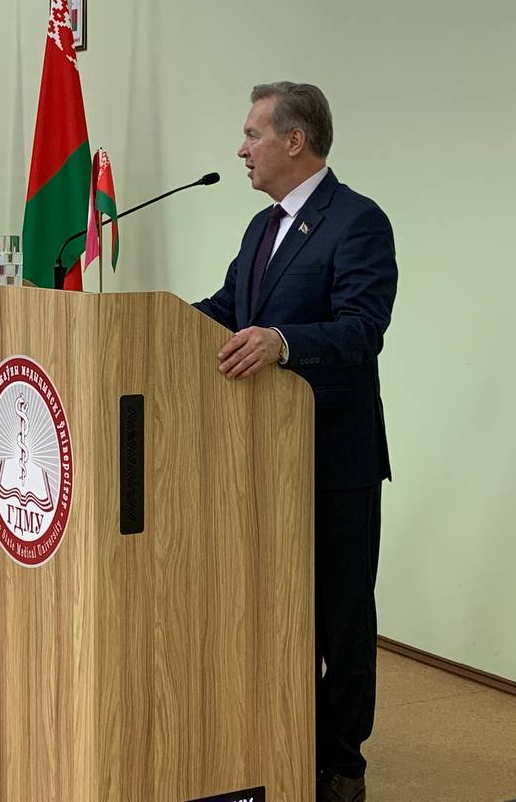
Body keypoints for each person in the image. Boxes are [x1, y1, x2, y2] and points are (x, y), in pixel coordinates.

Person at [194, 82, 397, 802]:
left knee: (339, 619)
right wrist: (143, 321)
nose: (241, 149)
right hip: (262, 458)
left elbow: (362, 328)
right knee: (274, 610)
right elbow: (227, 311)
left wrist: (282, 342)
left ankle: (341, 765)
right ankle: (281, 745)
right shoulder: (261, 228)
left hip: (334, 457)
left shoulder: (358, 221)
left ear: (294, 139)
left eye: (252, 134)